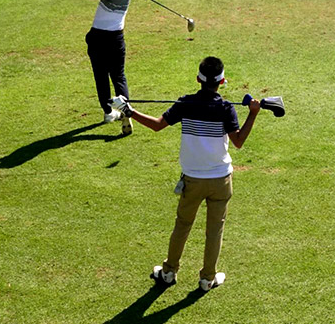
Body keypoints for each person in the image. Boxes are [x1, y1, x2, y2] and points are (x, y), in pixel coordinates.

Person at [111, 56, 261, 292]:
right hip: (221, 181)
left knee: (182, 226)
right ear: (222, 82)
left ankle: (169, 272)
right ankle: (207, 279)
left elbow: (157, 124)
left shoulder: (186, 103)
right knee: (215, 231)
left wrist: (129, 110)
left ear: (198, 80)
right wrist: (253, 113)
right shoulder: (226, 108)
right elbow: (239, 141)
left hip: (193, 180)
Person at [84, 0, 142, 135]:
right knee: (119, 77)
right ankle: (126, 111)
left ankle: (109, 112)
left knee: (101, 76)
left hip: (98, 38)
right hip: (116, 38)